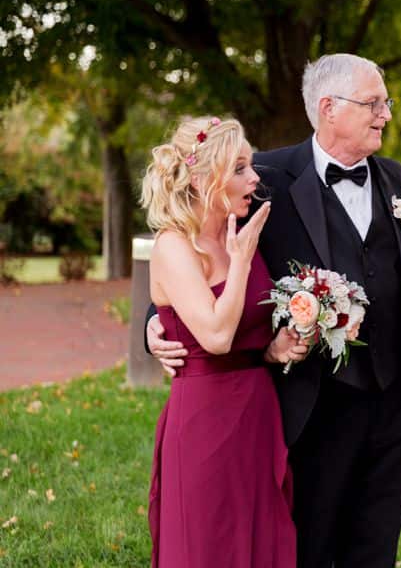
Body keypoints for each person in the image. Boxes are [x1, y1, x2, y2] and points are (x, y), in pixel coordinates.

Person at [147, 54, 401, 568]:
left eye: (387, 103)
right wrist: (156, 325)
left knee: (373, 547)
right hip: (306, 407)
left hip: (391, 404)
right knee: (297, 543)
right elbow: (188, 255)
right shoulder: (262, 178)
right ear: (329, 108)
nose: (386, 114)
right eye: (374, 103)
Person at [141, 116, 302, 567]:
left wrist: (272, 350)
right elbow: (214, 336)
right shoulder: (175, 246)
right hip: (204, 421)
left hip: (257, 412)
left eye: (250, 166)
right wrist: (241, 261)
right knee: (208, 545)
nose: (254, 178)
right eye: (239, 168)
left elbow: (249, 331)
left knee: (261, 539)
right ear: (200, 178)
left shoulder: (242, 231)